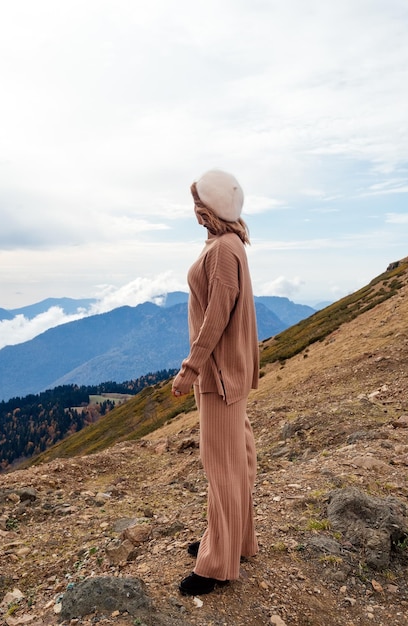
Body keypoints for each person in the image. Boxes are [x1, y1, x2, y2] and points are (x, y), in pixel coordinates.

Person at [172, 169, 259, 596]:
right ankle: (233, 541)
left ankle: (217, 565)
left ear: (208, 209)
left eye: (197, 203)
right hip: (230, 372)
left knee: (221, 466)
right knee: (236, 461)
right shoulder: (229, 244)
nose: (194, 210)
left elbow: (217, 314)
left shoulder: (223, 250)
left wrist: (190, 368)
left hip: (218, 375)